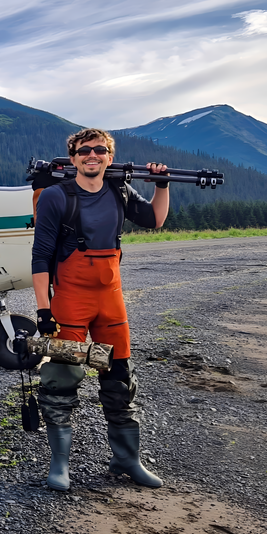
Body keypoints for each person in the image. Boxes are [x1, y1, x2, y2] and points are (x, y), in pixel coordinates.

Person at [31, 128, 169, 491]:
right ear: (72, 157)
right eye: (83, 151)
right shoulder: (55, 197)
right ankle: (59, 465)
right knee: (62, 381)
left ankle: (127, 459)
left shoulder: (120, 190)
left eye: (100, 150)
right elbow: (40, 256)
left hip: (111, 301)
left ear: (109, 156)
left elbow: (154, 220)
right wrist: (44, 310)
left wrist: (162, 185)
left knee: (120, 379)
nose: (92, 156)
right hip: (70, 301)